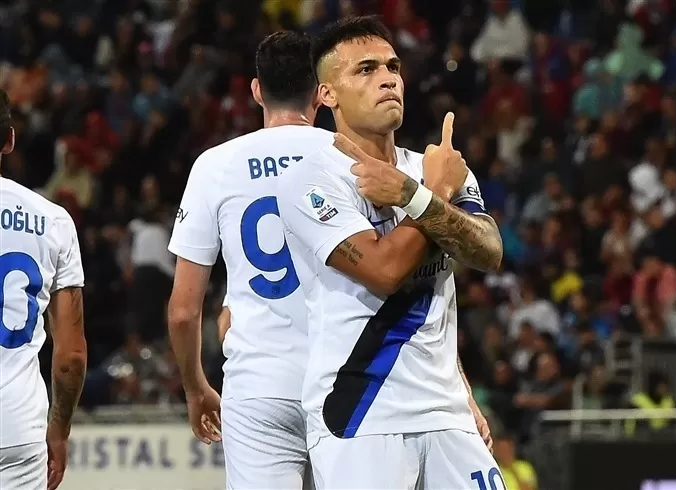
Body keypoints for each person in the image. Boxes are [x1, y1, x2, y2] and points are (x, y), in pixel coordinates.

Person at [275, 16, 504, 489]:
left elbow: (488, 252)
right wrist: (430, 195)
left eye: (393, 66)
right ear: (327, 94)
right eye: (366, 69)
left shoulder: (435, 167)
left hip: (447, 413)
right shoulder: (310, 181)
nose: (388, 78)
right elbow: (384, 270)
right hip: (363, 414)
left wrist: (416, 194)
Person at [166, 31, 328, 489]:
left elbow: (183, 312)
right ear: (320, 93)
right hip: (344, 381)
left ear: (257, 90)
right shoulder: (350, 158)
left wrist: (196, 387)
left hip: (258, 385)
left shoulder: (216, 165)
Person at [0, 89, 87, 490]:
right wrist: (59, 428)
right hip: (17, 429)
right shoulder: (52, 220)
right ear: (9, 140)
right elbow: (70, 357)